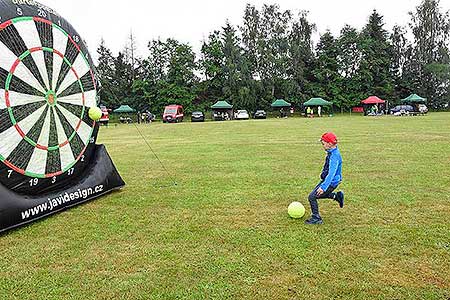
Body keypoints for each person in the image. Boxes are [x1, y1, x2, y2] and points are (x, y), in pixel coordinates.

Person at [305, 132, 344, 225]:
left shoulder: (334, 156)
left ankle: (316, 218)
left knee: (312, 197)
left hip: (331, 182)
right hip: (330, 181)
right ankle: (336, 196)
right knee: (317, 195)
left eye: (323, 143)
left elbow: (331, 173)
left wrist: (323, 187)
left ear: (329, 144)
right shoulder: (332, 152)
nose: (322, 145)